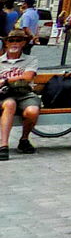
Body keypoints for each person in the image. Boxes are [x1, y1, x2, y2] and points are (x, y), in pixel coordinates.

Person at [0, 29, 41, 159]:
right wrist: (18, 78)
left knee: (32, 111)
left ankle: (24, 140)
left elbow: (28, 77)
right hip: (4, 95)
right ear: (6, 43)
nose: (14, 43)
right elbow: (22, 77)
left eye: (19, 40)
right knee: (10, 104)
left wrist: (6, 80)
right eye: (11, 40)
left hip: (25, 93)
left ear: (24, 43)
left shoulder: (30, 59)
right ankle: (3, 145)